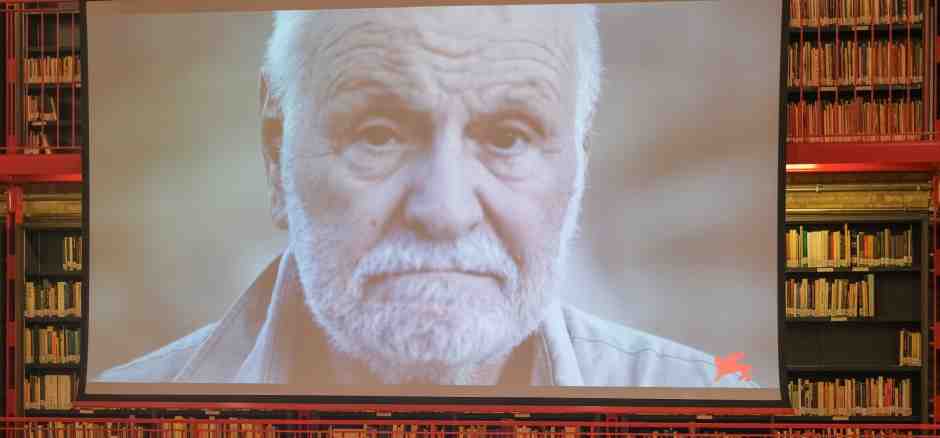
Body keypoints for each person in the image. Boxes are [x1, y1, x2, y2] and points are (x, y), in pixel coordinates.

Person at [96, 5, 755, 390]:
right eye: (378, 135)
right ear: (276, 156)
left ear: (579, 163)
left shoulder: (704, 390)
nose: (444, 211)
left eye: (510, 137)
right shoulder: (133, 397)